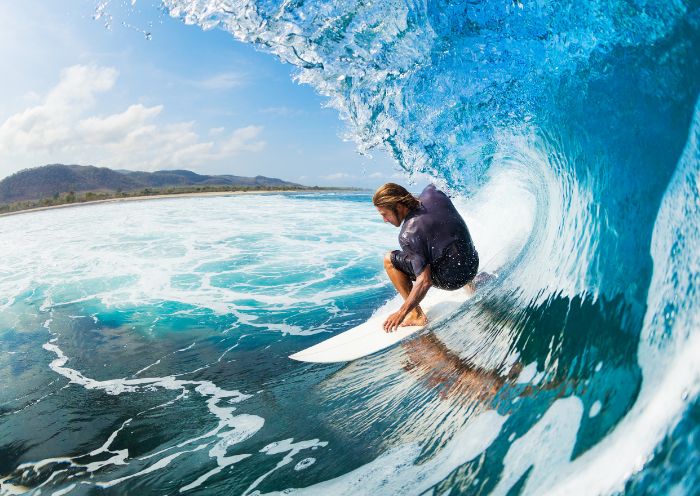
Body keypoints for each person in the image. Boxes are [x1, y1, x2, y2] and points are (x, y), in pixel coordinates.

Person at [373, 183, 479, 332]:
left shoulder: (408, 234)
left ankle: (416, 315)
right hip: (472, 265)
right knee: (444, 237)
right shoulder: (433, 192)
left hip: (452, 281)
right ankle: (472, 286)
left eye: (384, 214)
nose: (384, 219)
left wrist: (401, 313)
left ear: (398, 206)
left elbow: (424, 281)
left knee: (389, 259)